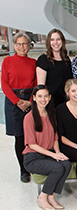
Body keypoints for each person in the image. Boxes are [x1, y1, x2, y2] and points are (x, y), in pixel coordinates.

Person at [23, 85, 71, 210]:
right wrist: (53, 156)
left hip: (48, 154)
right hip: (32, 157)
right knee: (57, 168)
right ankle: (42, 197)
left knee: (66, 164)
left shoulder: (51, 114)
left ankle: (51, 196)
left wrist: (58, 153)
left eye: (45, 96)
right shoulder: (29, 118)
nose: (43, 99)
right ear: (33, 98)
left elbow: (55, 137)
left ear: (49, 98)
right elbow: (32, 144)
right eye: (39, 96)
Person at [1, 32, 37, 182]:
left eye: (25, 44)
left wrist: (30, 101)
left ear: (29, 46)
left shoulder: (33, 62)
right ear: (14, 45)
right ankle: (24, 170)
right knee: (19, 137)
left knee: (33, 135)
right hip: (13, 101)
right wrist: (17, 102)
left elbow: (36, 84)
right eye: (19, 44)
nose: (22, 47)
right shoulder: (7, 61)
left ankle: (35, 165)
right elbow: (4, 84)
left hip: (30, 99)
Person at [36, 29, 73, 107]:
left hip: (65, 102)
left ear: (62, 41)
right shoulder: (43, 59)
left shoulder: (66, 59)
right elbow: (41, 86)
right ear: (49, 42)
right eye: (52, 39)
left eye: (58, 39)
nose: (55, 42)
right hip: (50, 103)